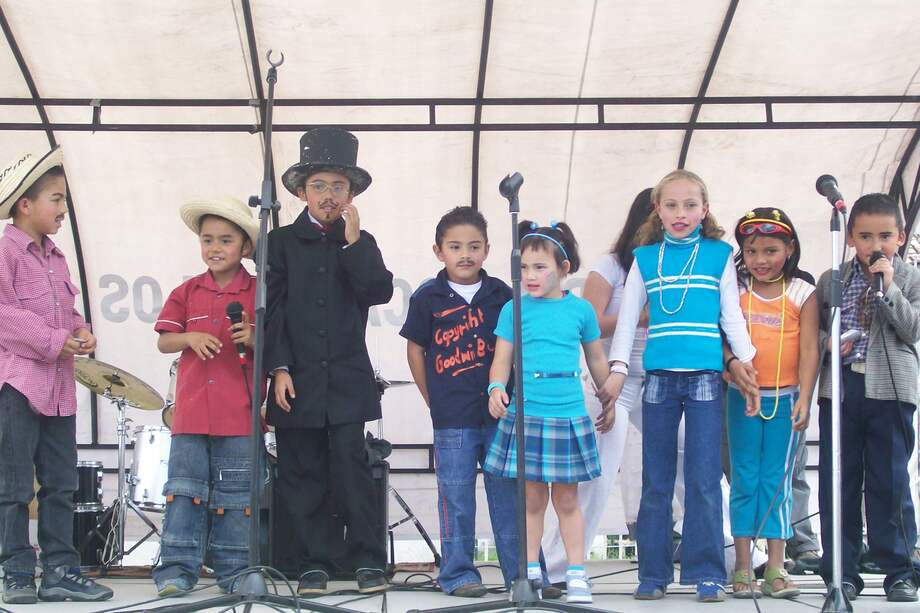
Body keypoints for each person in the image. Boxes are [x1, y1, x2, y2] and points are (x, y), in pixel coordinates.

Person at [600, 169, 757, 602]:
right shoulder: (645, 258)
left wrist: (746, 362)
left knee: (704, 478)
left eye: (690, 205)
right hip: (659, 379)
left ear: (705, 210)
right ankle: (653, 574)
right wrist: (617, 368)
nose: (681, 213)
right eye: (671, 205)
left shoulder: (719, 254)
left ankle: (708, 572)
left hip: (705, 377)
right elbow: (627, 319)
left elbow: (731, 314)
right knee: (657, 479)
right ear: (658, 210)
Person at [265, 127, 394, 596]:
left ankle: (367, 560)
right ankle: (313, 563)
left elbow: (377, 290)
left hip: (345, 378)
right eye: (318, 185)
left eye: (339, 186)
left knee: (351, 470)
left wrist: (353, 243)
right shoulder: (279, 242)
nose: (329, 195)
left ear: (351, 195)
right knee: (301, 472)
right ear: (301, 192)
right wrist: (278, 367)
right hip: (295, 377)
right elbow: (271, 311)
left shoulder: (361, 239)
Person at [0, 148, 112, 604]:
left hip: (59, 387)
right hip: (18, 384)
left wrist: (80, 329)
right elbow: (3, 314)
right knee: (13, 485)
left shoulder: (57, 257)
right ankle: (16, 571)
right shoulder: (5, 251)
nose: (64, 208)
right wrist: (54, 340)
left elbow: (65, 311)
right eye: (56, 199)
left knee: (61, 483)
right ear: (25, 204)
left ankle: (60, 571)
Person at [483, 221, 613, 604]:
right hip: (527, 417)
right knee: (532, 500)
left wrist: (609, 397)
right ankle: (529, 573)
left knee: (567, 501)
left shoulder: (581, 310)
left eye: (540, 267)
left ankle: (576, 573)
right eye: (524, 267)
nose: (530, 275)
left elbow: (596, 359)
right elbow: (501, 359)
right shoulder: (513, 309)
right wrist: (495, 387)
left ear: (564, 268)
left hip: (568, 416)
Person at [400, 206, 518, 598]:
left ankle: (521, 574)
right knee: (456, 497)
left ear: (487, 249)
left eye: (473, 246)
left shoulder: (503, 295)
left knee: (509, 496)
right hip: (452, 415)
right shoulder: (427, 297)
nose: (465, 254)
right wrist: (430, 396)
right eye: (455, 247)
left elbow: (516, 348)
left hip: (500, 414)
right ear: (439, 251)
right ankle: (458, 574)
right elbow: (415, 348)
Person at [541, 188, 652, 584]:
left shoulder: (678, 264)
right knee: (596, 475)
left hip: (662, 382)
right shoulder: (613, 266)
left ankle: (732, 554)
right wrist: (638, 316)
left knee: (693, 460)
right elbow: (589, 323)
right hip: (612, 381)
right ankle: (556, 569)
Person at [151, 196, 260, 596]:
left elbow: (280, 344)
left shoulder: (259, 292)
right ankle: (176, 571)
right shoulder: (187, 290)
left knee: (236, 498)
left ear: (245, 247)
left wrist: (254, 336)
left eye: (226, 240)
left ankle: (234, 572)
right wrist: (189, 337)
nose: (215, 248)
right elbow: (164, 341)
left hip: (240, 411)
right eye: (207, 239)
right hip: (192, 412)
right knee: (184, 491)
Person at [815, 193, 920, 603]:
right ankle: (841, 571)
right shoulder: (833, 279)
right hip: (841, 389)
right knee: (838, 478)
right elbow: (814, 333)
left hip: (890, 391)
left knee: (888, 479)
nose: (876, 245)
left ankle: (899, 570)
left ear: (901, 237)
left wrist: (888, 286)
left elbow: (912, 330)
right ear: (850, 239)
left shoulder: (910, 279)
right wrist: (828, 343)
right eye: (865, 236)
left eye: (885, 236)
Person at [723, 207, 818, 598]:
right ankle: (743, 566)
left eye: (771, 251)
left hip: (786, 398)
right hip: (742, 397)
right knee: (744, 477)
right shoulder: (734, 289)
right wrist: (732, 366)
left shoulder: (802, 292)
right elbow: (723, 337)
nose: (760, 260)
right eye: (752, 251)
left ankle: (777, 566)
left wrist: (805, 398)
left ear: (789, 249)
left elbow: (810, 349)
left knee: (777, 481)